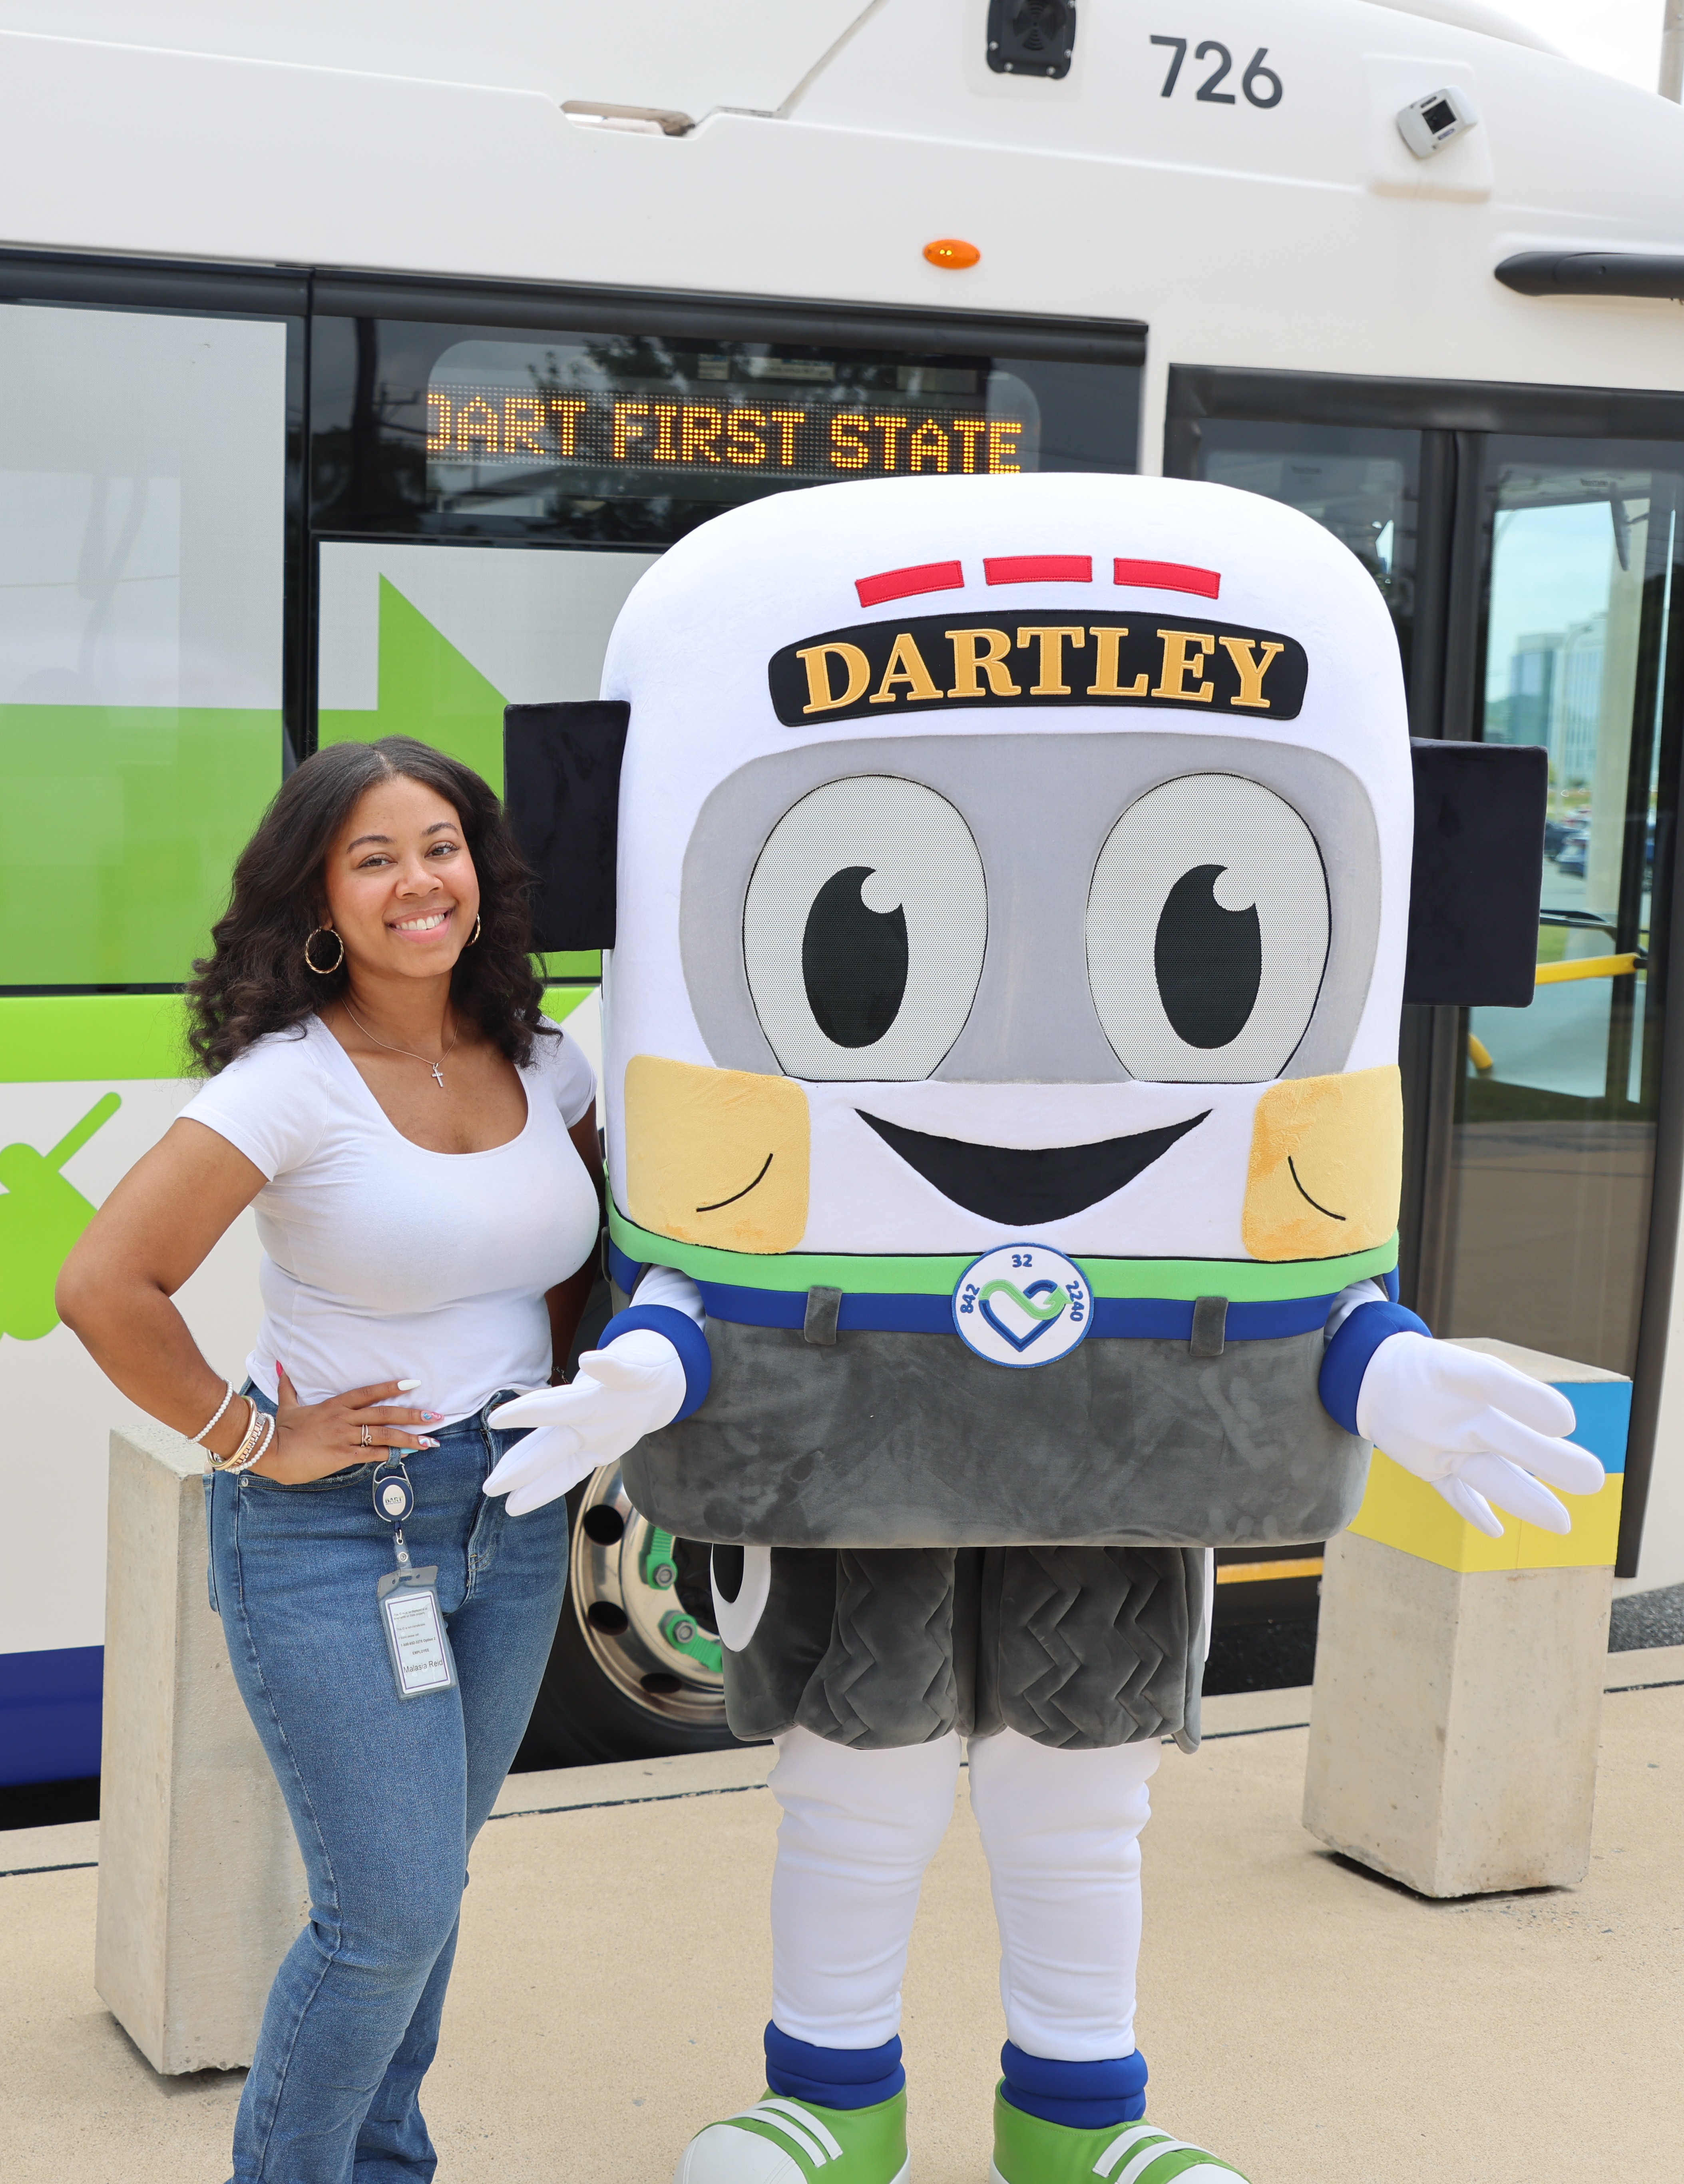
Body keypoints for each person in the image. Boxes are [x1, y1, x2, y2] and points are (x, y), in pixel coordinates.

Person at [478, 471, 1605, 2184]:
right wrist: (633, 1372)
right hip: (860, 1446)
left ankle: (1080, 2115)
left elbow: (1326, 1297)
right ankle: (830, 2095)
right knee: (859, 1772)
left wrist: (1390, 1364)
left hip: (1118, 1462)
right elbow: (696, 1302)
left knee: (1083, 1786)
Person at [57, 734, 601, 2183]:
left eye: (441, 845)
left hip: (513, 1519)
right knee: (390, 1910)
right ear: (320, 898)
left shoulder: (550, 1062)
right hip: (347, 1530)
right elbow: (106, 1284)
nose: (418, 880)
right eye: (374, 857)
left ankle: (384, 2167)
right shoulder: (288, 1085)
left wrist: (570, 1403)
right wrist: (254, 1435)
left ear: (481, 870)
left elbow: (574, 1270)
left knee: (427, 1897)